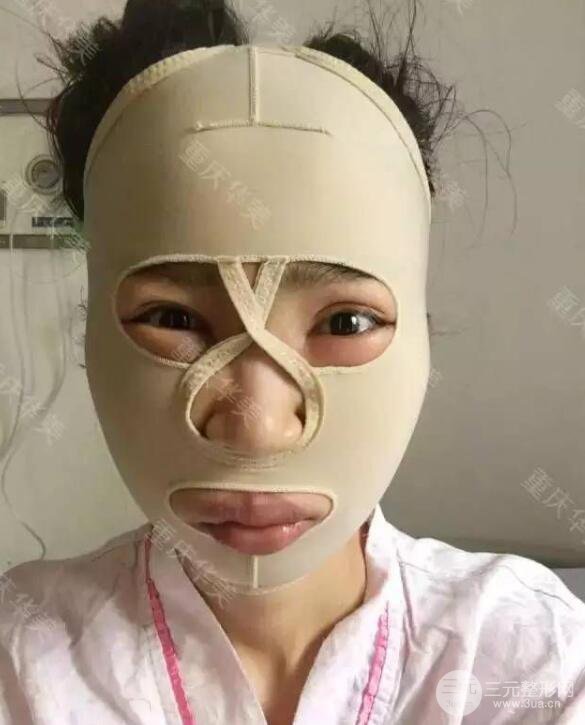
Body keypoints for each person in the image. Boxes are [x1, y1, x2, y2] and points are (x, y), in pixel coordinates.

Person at [1, 1, 584, 724]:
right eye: (174, 320)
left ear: (420, 337)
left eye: (344, 322)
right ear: (91, 336)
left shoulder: (537, 660)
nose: (258, 429)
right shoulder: (22, 662)